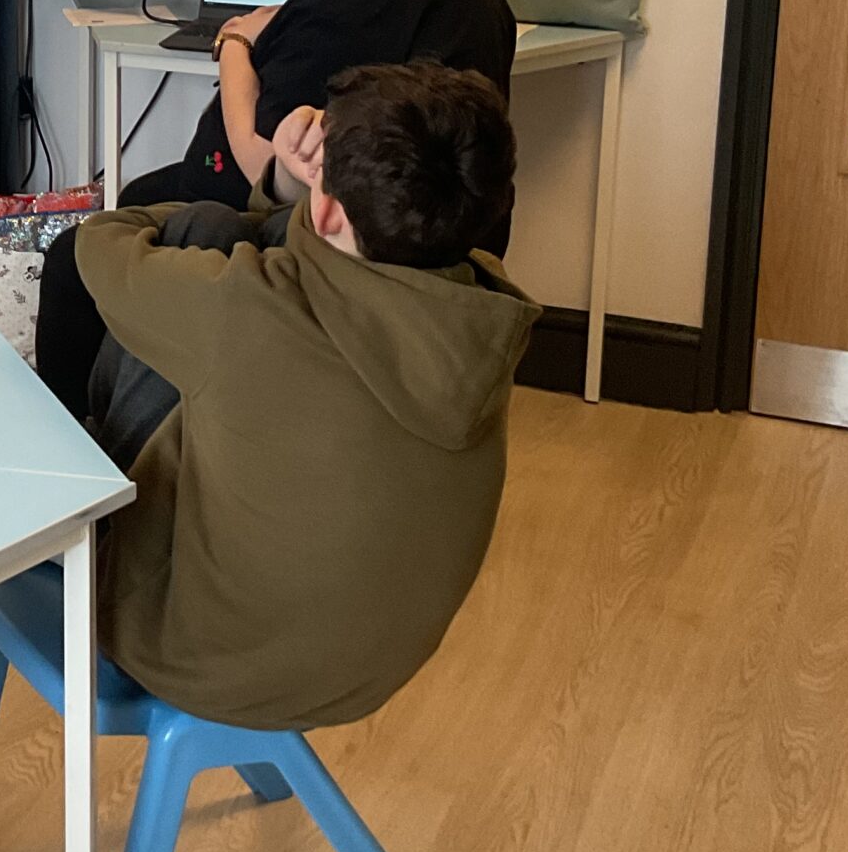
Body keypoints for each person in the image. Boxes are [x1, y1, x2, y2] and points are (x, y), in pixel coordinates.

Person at [36, 0, 516, 417]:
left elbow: (256, 158)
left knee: (78, 257)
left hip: (341, 232)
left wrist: (235, 44)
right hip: (430, 226)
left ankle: (75, 455)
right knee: (148, 197)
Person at [71, 63, 540, 729]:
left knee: (198, 231)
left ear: (324, 210)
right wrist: (304, 187)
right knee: (224, 302)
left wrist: (278, 189)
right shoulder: (481, 310)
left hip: (199, 665)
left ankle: (61, 525)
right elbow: (327, 264)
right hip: (362, 674)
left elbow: (101, 242)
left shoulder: (247, 310)